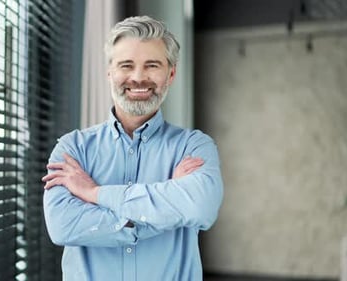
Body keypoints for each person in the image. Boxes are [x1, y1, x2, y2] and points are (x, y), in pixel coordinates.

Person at [42, 15, 223, 281]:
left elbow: (201, 209)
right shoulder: (72, 150)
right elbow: (62, 227)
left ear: (170, 74)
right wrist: (165, 208)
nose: (138, 78)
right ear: (110, 73)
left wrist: (95, 193)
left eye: (152, 65)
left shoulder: (194, 147)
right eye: (126, 65)